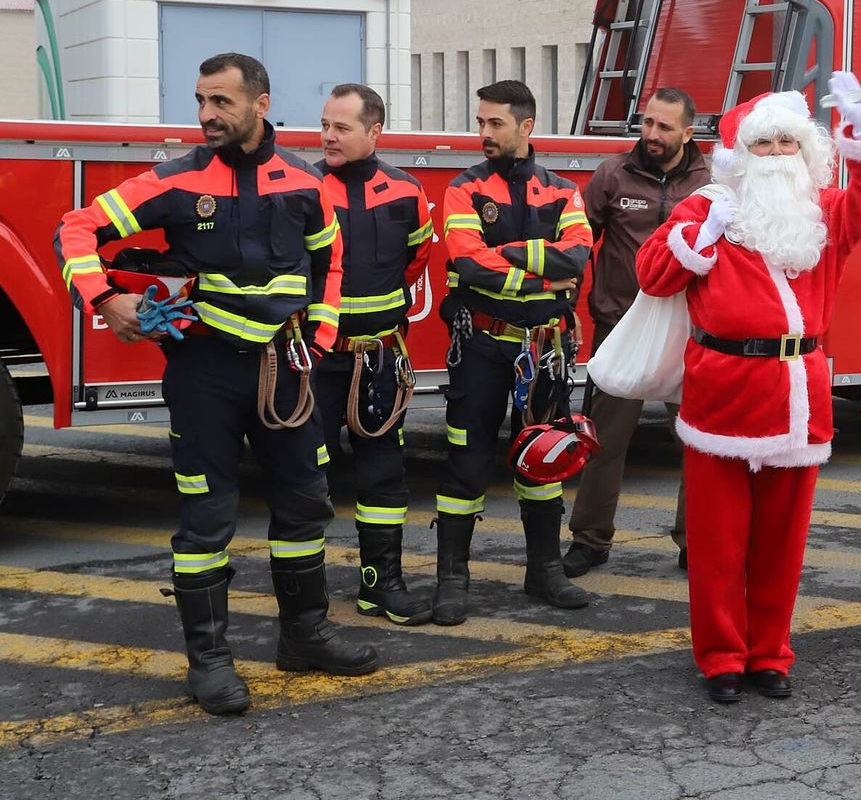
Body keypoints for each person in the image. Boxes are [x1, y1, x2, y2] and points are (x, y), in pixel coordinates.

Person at [54, 52, 377, 716]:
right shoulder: (175, 179)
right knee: (207, 518)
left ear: (260, 104)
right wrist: (104, 298)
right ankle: (208, 660)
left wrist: (318, 341)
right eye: (201, 100)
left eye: (221, 101)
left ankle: (305, 635)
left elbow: (330, 263)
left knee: (305, 504)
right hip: (203, 372)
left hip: (286, 369)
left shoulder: (305, 182)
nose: (207, 114)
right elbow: (75, 228)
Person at [636, 77, 861, 704]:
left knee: (783, 541)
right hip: (722, 391)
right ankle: (722, 656)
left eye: (788, 142)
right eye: (765, 143)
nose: (778, 153)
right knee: (717, 540)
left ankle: (770, 652)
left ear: (805, 151)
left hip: (798, 394)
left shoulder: (825, 212)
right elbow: (652, 274)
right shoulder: (706, 208)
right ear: (740, 154)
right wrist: (700, 238)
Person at [434, 79, 594, 624]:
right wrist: (541, 277)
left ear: (526, 126)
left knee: (544, 456)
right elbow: (468, 264)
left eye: (495, 123)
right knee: (467, 461)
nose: (484, 132)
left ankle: (544, 571)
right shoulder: (464, 189)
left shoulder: (563, 190)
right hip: (480, 345)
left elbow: (577, 257)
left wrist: (508, 254)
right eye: (480, 121)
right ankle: (452, 580)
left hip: (544, 348)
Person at [564, 87, 708, 578]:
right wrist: (566, 306)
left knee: (698, 443)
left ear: (687, 133)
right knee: (603, 440)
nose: (652, 133)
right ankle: (589, 540)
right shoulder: (612, 174)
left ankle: (696, 542)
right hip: (620, 326)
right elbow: (578, 242)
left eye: (664, 126)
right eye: (647, 122)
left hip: (689, 331)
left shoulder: (712, 182)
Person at [313, 83, 434, 626]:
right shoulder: (303, 187)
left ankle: (380, 585)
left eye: (341, 127)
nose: (328, 136)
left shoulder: (407, 191)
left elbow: (416, 259)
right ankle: (305, 596)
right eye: (325, 125)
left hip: (379, 359)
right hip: (316, 361)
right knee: (304, 475)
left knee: (383, 476)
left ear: (374, 131)